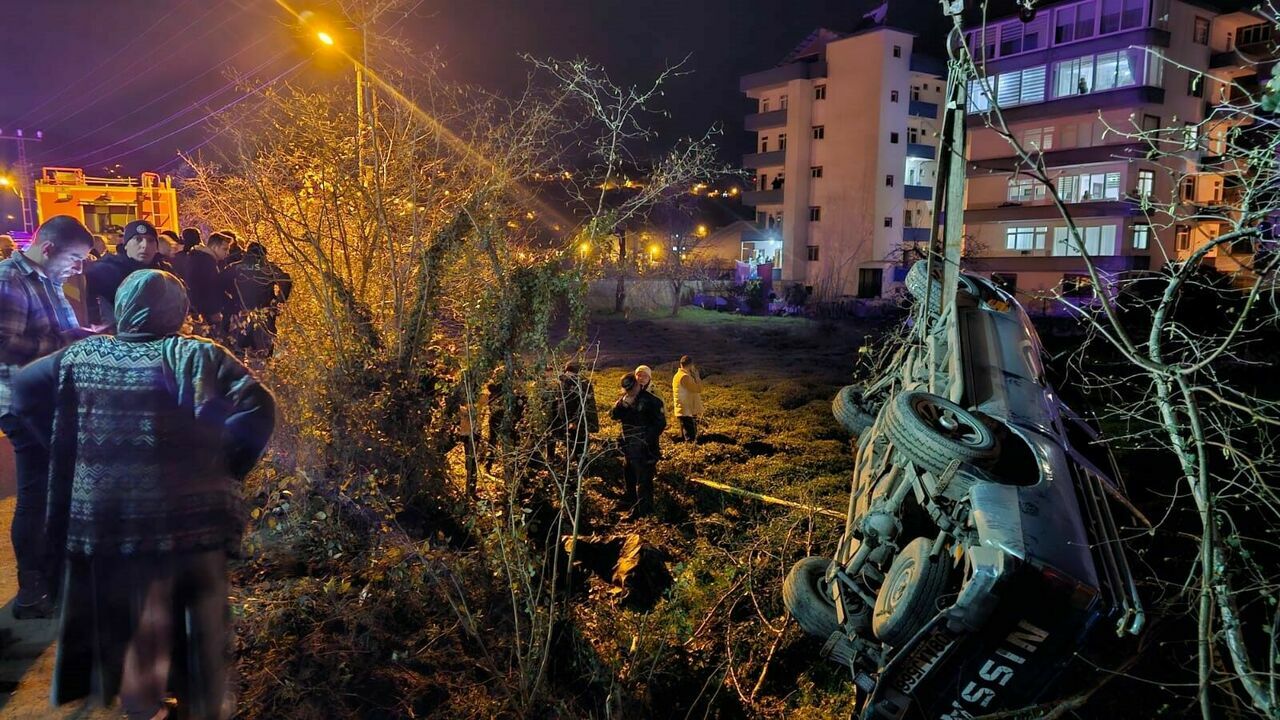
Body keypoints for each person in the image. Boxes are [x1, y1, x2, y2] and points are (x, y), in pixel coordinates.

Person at [12, 269, 275, 719]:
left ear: (122, 307)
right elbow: (258, 405)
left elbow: (24, 388)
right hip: (189, 520)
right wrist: (225, 463)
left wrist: (65, 446)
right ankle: (195, 701)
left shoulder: (82, 356)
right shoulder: (199, 354)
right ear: (179, 310)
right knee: (197, 621)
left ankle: (144, 706)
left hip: (108, 521)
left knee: (137, 622)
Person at [0, 215, 95, 618]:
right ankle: (32, 589)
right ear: (49, 248)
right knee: (37, 492)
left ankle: (52, 576)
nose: (78, 268)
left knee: (57, 488)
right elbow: (4, 344)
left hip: (48, 401)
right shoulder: (10, 279)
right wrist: (64, 340)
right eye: (75, 258)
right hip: (23, 404)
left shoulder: (47, 281)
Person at [84, 219, 163, 328]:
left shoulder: (164, 270)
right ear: (126, 245)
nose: (144, 245)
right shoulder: (106, 271)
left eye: (150, 240)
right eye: (138, 239)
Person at [610, 372, 666, 519]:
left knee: (644, 481)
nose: (630, 392)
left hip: (645, 450)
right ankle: (632, 502)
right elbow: (613, 415)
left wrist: (644, 441)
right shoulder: (625, 400)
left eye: (632, 389)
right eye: (627, 390)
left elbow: (660, 424)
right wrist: (622, 404)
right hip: (629, 448)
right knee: (629, 476)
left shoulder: (652, 401)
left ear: (637, 384)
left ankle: (643, 511)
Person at [226, 242, 292, 356]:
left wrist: (230, 302)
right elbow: (286, 281)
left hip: (240, 315)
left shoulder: (235, 268)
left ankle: (240, 372)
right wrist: (278, 301)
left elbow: (221, 284)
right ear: (264, 255)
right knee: (262, 355)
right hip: (264, 316)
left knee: (237, 354)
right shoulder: (269, 268)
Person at [546, 361, 599, 467]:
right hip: (567, 420)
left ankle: (580, 471)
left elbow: (585, 404)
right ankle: (577, 468)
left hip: (573, 421)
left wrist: (574, 421)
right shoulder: (579, 382)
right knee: (576, 445)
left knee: (577, 445)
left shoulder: (581, 383)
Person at [185, 230, 233, 330]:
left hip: (198, 311)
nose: (227, 253)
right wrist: (214, 311)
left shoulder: (199, 258)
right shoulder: (206, 262)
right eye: (225, 249)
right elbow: (210, 289)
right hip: (205, 314)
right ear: (214, 247)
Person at [672, 355, 704, 442]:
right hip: (687, 409)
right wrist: (697, 377)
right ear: (690, 365)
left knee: (686, 431)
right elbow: (698, 389)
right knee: (691, 436)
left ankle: (683, 444)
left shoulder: (678, 375)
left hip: (683, 408)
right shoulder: (685, 377)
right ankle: (690, 450)